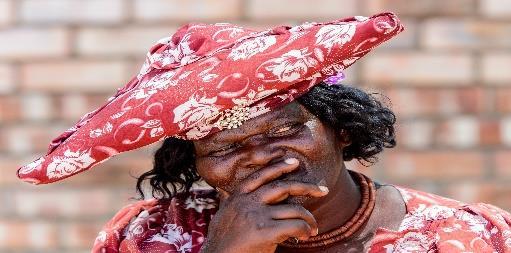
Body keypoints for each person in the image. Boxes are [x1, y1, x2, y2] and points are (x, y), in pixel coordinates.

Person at [17, 12, 511, 253]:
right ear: (196, 165)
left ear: (339, 130)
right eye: (225, 147)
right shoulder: (148, 237)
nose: (259, 157)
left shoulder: (468, 235)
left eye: (284, 130)